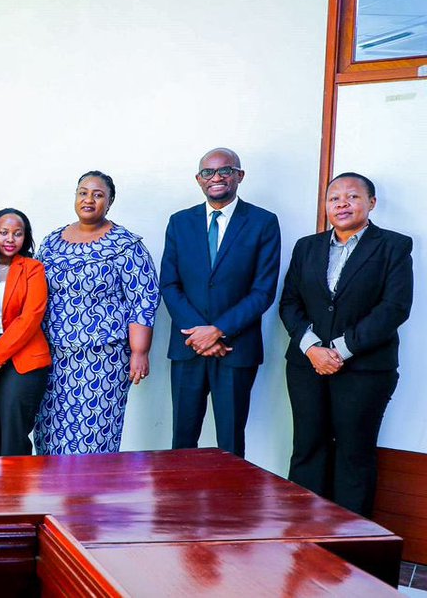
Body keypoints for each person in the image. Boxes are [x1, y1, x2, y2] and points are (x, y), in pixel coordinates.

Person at [279, 172, 412, 517]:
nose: (342, 204)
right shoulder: (307, 246)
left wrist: (340, 349)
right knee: (307, 448)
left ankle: (350, 544)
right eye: (334, 198)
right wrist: (311, 348)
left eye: (352, 197)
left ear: (371, 203)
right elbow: (289, 303)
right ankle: (305, 536)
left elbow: (394, 308)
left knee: (355, 453)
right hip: (307, 366)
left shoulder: (393, 246)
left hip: (364, 369)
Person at [160, 148, 281, 459]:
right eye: (207, 173)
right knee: (183, 438)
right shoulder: (179, 222)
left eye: (224, 171)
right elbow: (170, 285)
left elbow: (263, 290)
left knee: (230, 439)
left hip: (236, 349)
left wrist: (219, 330)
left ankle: (229, 506)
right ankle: (181, 504)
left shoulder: (263, 222)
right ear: (198, 180)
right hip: (188, 348)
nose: (216, 178)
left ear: (239, 176)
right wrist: (199, 334)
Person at [34, 171, 159, 455]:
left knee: (94, 436)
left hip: (102, 360)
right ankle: (55, 498)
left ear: (110, 201)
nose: (88, 199)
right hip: (52, 359)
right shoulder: (52, 242)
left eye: (98, 194)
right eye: (82, 192)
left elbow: (144, 299)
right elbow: (36, 292)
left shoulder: (127, 245)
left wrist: (140, 352)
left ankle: (89, 499)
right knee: (49, 433)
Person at [0, 208, 51, 457]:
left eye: (17, 234)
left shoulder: (32, 268)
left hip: (23, 354)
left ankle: (15, 489)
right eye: (4, 233)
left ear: (25, 237)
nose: (10, 239)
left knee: (13, 426)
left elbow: (31, 317)